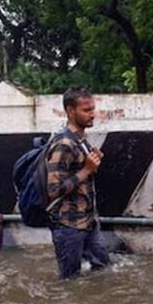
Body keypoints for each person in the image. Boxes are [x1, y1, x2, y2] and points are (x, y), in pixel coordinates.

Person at [46, 86, 109, 280]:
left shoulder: (80, 139)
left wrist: (91, 164)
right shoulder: (63, 144)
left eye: (93, 109)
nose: (92, 114)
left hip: (88, 221)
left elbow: (82, 177)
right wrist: (86, 169)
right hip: (68, 225)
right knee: (69, 282)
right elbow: (54, 189)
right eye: (86, 110)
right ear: (70, 111)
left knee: (104, 269)